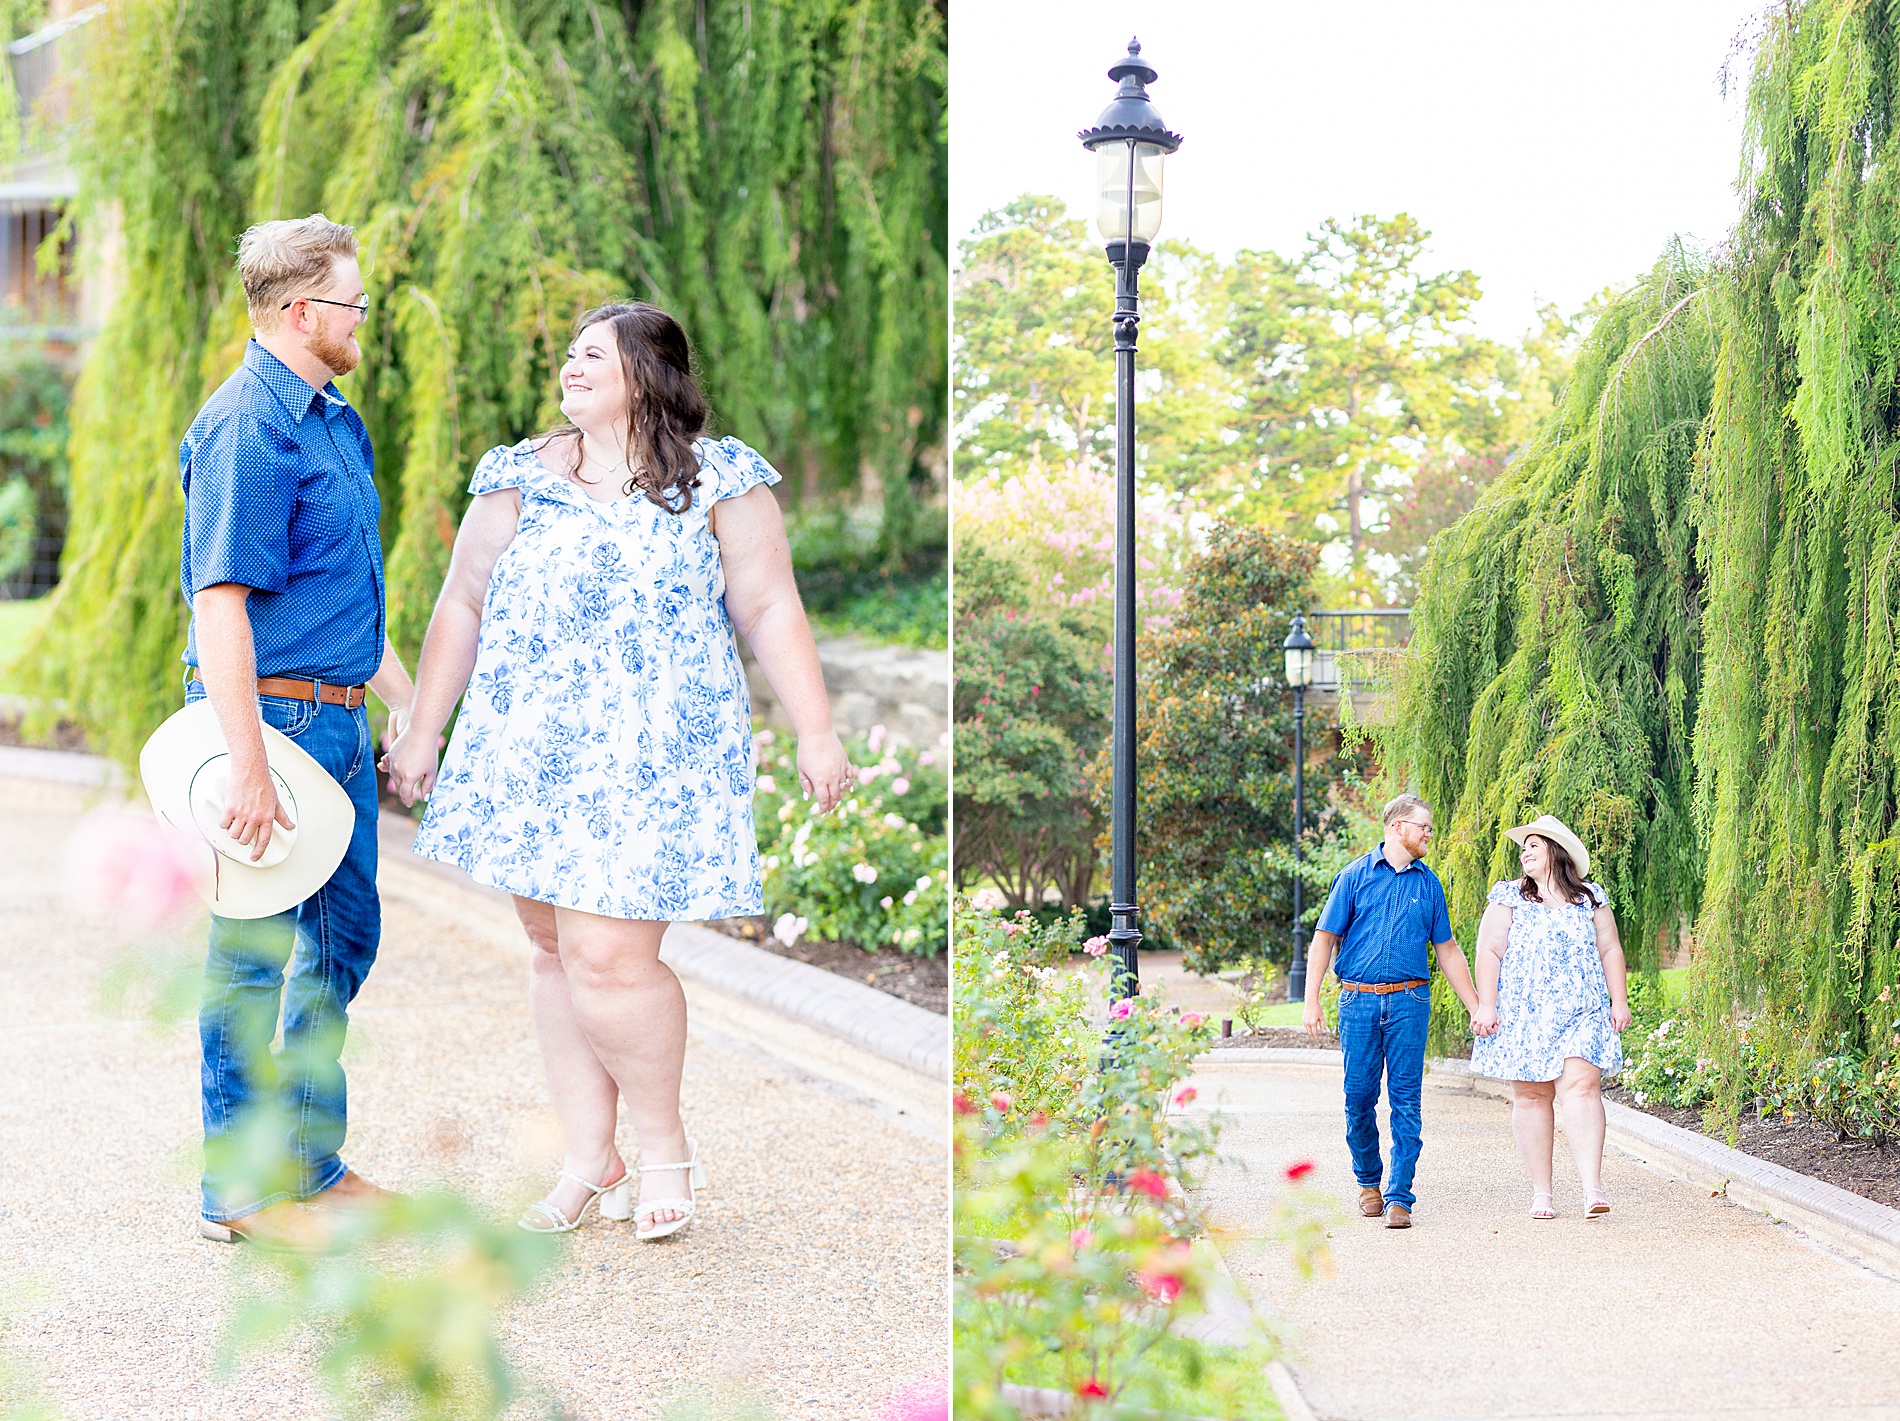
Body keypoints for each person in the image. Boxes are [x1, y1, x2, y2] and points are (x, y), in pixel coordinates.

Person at [382, 301, 850, 1242]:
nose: (570, 366)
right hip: (531, 750)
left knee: (612, 956)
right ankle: (590, 1156)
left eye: (592, 353)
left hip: (657, 755)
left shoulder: (722, 479)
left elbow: (768, 606)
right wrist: (424, 728)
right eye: (567, 353)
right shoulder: (516, 477)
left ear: (648, 371)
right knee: (556, 947)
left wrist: (816, 729)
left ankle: (664, 1143)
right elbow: (462, 605)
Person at [181, 214, 417, 1249]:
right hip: (269, 725)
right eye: (356, 304)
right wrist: (245, 762)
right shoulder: (248, 428)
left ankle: (309, 1160)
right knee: (250, 956)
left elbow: (349, 595)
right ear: (302, 310)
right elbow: (220, 603)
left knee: (341, 943)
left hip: (341, 722)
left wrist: (404, 703)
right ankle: (237, 1189)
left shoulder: (336, 420)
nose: (366, 320)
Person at [1303, 794, 1485, 1229]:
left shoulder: (1429, 884)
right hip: (1358, 1001)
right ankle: (1368, 1182)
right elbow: (1324, 939)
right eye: (1423, 827)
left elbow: (1448, 950)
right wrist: (1311, 999)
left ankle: (1400, 1196)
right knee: (1358, 1098)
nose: (1429, 835)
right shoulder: (1353, 878)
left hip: (1410, 1002)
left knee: (1407, 1101)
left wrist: (1477, 1006)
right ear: (1398, 827)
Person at [1469, 814, 1630, 1219]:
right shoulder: (1508, 897)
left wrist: (1619, 1000)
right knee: (1532, 1095)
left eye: (1533, 846)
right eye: (1523, 848)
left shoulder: (1590, 897)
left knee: (1581, 1088)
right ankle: (1543, 1192)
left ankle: (1592, 1188)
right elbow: (1488, 950)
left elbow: (1610, 949)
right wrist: (1486, 1005)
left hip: (1583, 1008)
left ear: (1555, 852)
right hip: (1525, 1011)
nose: (1524, 853)